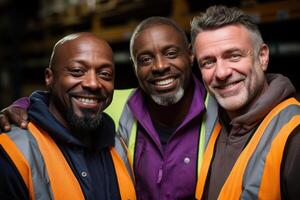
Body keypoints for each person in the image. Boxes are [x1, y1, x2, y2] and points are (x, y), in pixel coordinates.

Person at [0, 17, 208, 199]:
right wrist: (23, 105)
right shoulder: (120, 109)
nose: (159, 66)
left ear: (191, 55)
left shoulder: (218, 111)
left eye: (105, 74)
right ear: (135, 67)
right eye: (77, 70)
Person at [0, 32, 136, 199]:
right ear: (49, 78)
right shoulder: (12, 151)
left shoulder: (119, 146)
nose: (93, 83)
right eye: (77, 71)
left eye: (105, 74)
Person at [190, 5, 300, 200]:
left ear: (262, 56)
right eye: (208, 62)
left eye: (234, 55)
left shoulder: (294, 135)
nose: (222, 72)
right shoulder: (213, 124)